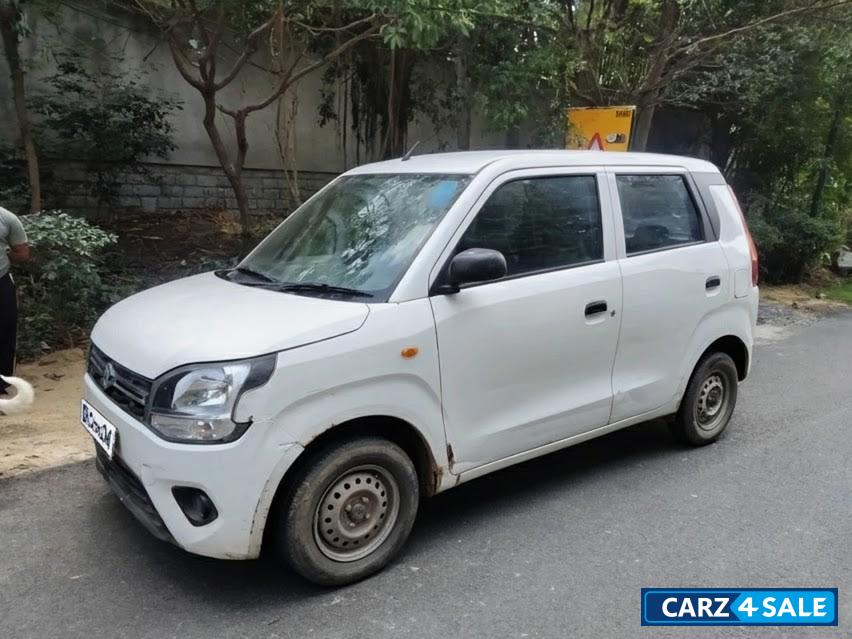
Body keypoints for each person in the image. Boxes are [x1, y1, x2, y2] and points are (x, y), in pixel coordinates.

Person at [1, 206, 29, 396]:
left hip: (1, 282)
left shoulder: (6, 218)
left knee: (4, 333)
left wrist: (4, 257)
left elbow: (22, 252)